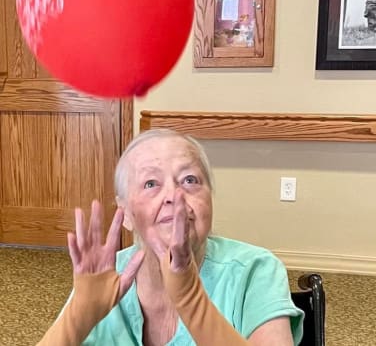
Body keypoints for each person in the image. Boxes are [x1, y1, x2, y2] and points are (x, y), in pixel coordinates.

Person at [37, 129, 304, 345]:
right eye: (151, 183)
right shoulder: (104, 278)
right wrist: (77, 318)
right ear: (126, 213)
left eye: (189, 180)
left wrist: (191, 300)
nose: (173, 196)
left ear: (210, 200)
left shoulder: (255, 270)